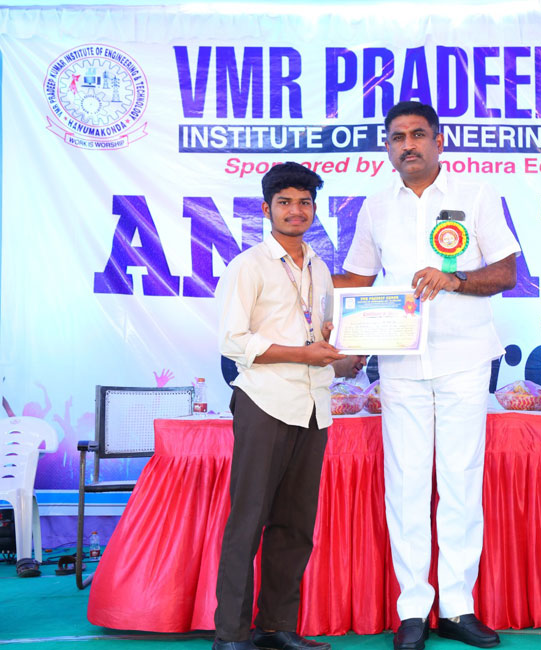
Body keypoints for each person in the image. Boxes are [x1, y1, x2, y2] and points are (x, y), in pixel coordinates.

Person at [335, 101, 520, 650]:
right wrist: (308, 285)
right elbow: (357, 281)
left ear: (440, 142)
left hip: (465, 358)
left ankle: (458, 607)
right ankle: (412, 609)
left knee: (460, 481)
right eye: (398, 137)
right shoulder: (375, 206)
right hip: (400, 362)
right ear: (387, 147)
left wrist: (454, 279)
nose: (408, 144)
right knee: (406, 484)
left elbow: (506, 272)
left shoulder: (476, 195)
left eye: (418, 134)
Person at [214, 162, 346, 650]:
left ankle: (276, 627)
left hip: (313, 404)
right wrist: (302, 353)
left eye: (305, 202)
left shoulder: (319, 267)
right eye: (285, 202)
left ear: (314, 208)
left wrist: (341, 343)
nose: (296, 211)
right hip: (265, 401)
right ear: (266, 209)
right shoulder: (249, 265)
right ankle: (231, 635)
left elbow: (322, 332)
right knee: (248, 519)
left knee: (295, 525)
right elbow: (233, 341)